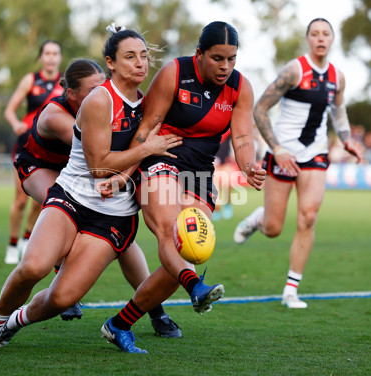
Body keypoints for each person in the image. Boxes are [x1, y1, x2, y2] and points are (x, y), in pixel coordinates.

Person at [0, 25, 183, 354]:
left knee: (63, 297)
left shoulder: (148, 104)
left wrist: (134, 167)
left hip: (112, 213)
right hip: (66, 189)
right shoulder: (94, 102)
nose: (140, 63)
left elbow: (142, 148)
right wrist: (144, 150)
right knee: (34, 266)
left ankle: (11, 325)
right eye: (130, 56)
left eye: (144, 56)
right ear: (110, 63)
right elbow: (100, 165)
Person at [99, 21, 266, 353]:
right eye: (218, 58)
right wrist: (124, 172)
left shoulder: (240, 87)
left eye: (232, 59)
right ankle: (195, 287)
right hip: (161, 155)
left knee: (190, 248)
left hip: (200, 171)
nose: (225, 67)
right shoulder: (175, 72)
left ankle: (119, 324)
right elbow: (147, 127)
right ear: (199, 54)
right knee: (168, 230)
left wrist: (248, 166)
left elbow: (243, 137)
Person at [14, 57, 181, 333]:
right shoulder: (55, 115)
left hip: (88, 169)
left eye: (103, 85)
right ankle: (61, 282)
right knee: (58, 211)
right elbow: (101, 154)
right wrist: (144, 141)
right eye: (92, 90)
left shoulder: (107, 101)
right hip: (42, 166)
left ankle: (156, 310)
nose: (102, 93)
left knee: (122, 242)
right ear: (71, 94)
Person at [233, 18, 361, 309]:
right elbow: (261, 109)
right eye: (314, 34)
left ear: (332, 39)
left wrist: (346, 138)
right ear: (308, 39)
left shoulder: (337, 76)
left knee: (308, 217)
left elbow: (338, 112)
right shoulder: (294, 70)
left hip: (315, 153)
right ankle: (258, 219)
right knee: (274, 227)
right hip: (283, 153)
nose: (320, 38)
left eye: (325, 34)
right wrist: (276, 149)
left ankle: (291, 289)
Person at [3, 40, 64, 264]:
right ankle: (12, 244)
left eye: (55, 53)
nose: (50, 57)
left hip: (50, 148)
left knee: (42, 198)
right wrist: (15, 123)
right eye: (47, 53)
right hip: (26, 144)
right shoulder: (31, 79)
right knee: (20, 200)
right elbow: (9, 110)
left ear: (60, 57)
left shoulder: (66, 82)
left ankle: (27, 238)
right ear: (41, 57)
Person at [212, 129, 235, 221]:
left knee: (228, 184)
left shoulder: (228, 129)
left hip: (226, 160)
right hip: (214, 161)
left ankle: (227, 204)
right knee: (215, 187)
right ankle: (216, 209)